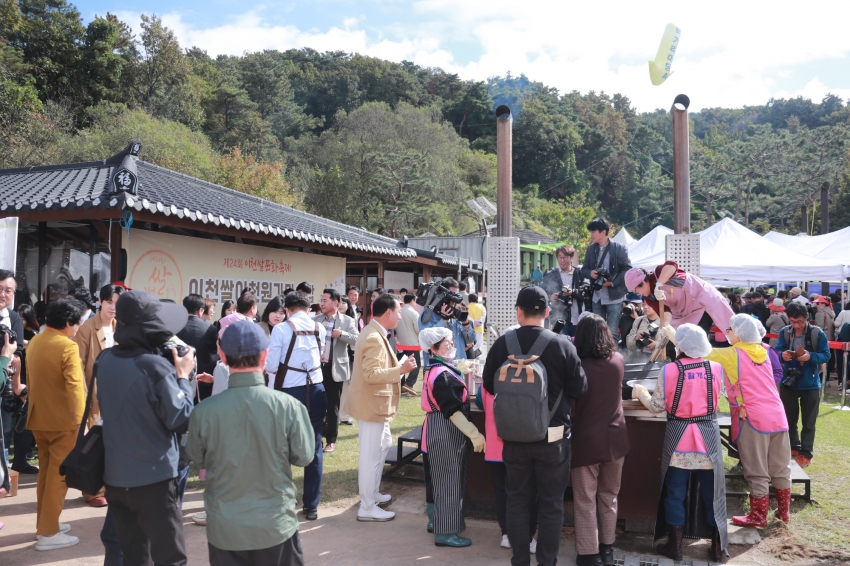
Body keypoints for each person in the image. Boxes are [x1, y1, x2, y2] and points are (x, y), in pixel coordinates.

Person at [186, 320, 314, 566]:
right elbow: (304, 456)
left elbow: (197, 457)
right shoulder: (289, 406)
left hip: (225, 528)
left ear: (222, 356)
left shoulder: (204, 411)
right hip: (275, 525)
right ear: (265, 356)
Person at [482, 286, 587, 566]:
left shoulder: (503, 343)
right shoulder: (563, 345)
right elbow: (580, 388)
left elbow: (488, 385)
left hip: (513, 438)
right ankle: (547, 562)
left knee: (517, 501)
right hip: (553, 440)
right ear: (547, 313)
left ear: (518, 311)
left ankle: (520, 560)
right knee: (551, 505)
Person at [95, 291, 194, 565]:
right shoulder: (155, 367)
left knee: (135, 555)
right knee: (170, 557)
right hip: (154, 480)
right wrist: (184, 377)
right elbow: (182, 419)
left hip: (115, 478)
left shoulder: (105, 360)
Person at [632, 324, 727, 562]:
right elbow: (722, 395)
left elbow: (656, 407)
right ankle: (717, 547)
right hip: (708, 440)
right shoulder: (716, 368)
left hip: (679, 439)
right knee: (712, 493)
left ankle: (675, 546)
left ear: (680, 346)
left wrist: (640, 392)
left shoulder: (669, 370)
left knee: (674, 493)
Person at [706, 315, 793, 527]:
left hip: (753, 417)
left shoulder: (732, 354)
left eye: (730, 329)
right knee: (781, 468)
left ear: (739, 332)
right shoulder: (763, 350)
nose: (727, 332)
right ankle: (783, 514)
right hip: (777, 415)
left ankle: (758, 516)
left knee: (756, 469)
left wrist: (671, 332)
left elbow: (699, 350)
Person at [345, 294, 418, 522]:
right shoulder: (373, 337)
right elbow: (371, 374)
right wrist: (401, 369)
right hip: (371, 405)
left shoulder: (375, 332)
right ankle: (366, 507)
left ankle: (372, 494)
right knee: (371, 456)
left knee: (382, 447)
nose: (400, 317)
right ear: (388, 312)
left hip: (375, 405)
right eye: (398, 312)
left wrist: (399, 366)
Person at [26, 297, 86, 551]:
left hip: (39, 418)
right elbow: (74, 386)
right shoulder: (67, 346)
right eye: (78, 323)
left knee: (46, 474)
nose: (78, 328)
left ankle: (46, 524)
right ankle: (48, 533)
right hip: (64, 421)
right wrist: (82, 421)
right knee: (58, 478)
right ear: (68, 322)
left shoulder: (36, 341)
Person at [570, 314, 629, 566]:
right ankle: (607, 550)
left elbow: (571, 405)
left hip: (584, 442)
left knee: (584, 499)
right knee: (609, 496)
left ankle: (588, 554)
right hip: (616, 439)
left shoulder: (576, 365)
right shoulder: (618, 360)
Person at [418, 327, 485, 547]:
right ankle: (445, 533)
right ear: (433, 348)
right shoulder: (442, 376)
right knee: (449, 481)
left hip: (435, 427)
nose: (451, 344)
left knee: (437, 479)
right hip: (445, 428)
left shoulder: (436, 367)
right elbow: (453, 412)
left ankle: (435, 521)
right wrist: (474, 434)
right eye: (446, 342)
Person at [265, 292, 327, 521]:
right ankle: (311, 505)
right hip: (316, 389)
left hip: (288, 393)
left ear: (288, 309)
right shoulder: (319, 328)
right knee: (314, 444)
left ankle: (284, 500)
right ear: (308, 308)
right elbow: (322, 356)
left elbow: (271, 366)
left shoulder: (281, 329)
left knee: (281, 445)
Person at [72, 283, 124, 508]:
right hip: (93, 397)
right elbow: (78, 366)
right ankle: (91, 491)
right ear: (100, 302)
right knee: (93, 443)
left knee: (113, 443)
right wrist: (83, 397)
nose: (113, 307)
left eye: (117, 303)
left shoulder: (120, 327)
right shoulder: (86, 329)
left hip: (118, 394)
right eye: (109, 302)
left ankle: (109, 486)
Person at [774, 302, 830, 468]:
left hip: (811, 383)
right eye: (792, 321)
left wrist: (810, 356)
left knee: (809, 422)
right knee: (789, 419)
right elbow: (776, 351)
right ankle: (793, 447)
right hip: (788, 382)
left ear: (807, 317)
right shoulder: (785, 332)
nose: (796, 325)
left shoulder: (817, 333)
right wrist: (782, 355)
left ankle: (806, 453)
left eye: (799, 321)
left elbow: (826, 355)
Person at [624, 261, 734, 341]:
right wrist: (666, 326)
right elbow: (665, 313)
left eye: (636, 290)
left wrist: (660, 283)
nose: (637, 294)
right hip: (685, 315)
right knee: (682, 342)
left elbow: (672, 265)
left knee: (732, 332)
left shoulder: (658, 273)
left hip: (704, 299)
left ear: (643, 281)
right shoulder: (650, 297)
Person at [314, 289, 359, 453]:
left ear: (335, 302)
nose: (322, 303)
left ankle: (331, 440)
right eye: (321, 300)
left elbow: (357, 338)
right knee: (317, 405)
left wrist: (341, 334)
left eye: (325, 300)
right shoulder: (316, 320)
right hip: (317, 369)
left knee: (333, 407)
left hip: (335, 368)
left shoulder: (346, 321)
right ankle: (316, 438)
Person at [580, 218, 632, 334]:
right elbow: (583, 270)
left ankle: (613, 353)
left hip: (614, 296)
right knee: (598, 332)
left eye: (593, 231)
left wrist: (611, 282)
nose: (591, 234)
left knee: (612, 333)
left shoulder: (619, 248)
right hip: (597, 296)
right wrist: (591, 273)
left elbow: (627, 270)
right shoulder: (591, 249)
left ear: (603, 232)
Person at [419, 278, 475, 363]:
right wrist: (444, 319)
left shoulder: (456, 312)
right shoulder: (428, 314)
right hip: (439, 368)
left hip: (459, 366)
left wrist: (465, 322)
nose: (454, 300)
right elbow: (428, 342)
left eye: (457, 295)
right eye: (452, 296)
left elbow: (470, 340)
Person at [10, 304, 38, 475]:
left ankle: (20, 461)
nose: (20, 320)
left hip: (27, 384)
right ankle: (17, 462)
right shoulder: (11, 334)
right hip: (15, 381)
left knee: (24, 426)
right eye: (18, 317)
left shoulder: (35, 337)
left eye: (23, 317)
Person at [178, 293, 215, 397]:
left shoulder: (176, 327)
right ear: (200, 310)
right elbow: (214, 354)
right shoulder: (210, 328)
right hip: (204, 378)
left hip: (181, 377)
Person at [542, 245, 584, 336]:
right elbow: (543, 294)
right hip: (558, 317)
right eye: (560, 257)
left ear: (572, 258)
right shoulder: (551, 274)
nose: (562, 260)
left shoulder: (579, 274)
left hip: (577, 317)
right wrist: (550, 297)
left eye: (565, 257)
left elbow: (584, 294)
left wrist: (572, 292)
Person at [395, 293, 422, 395]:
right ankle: (409, 384)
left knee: (401, 364)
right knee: (416, 364)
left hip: (400, 343)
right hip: (412, 344)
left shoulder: (399, 311)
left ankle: (400, 384)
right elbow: (417, 329)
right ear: (412, 301)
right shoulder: (414, 313)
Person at [812, 296, 836, 380]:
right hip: (831, 338)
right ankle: (826, 380)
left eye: (818, 303)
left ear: (823, 303)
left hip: (822, 339)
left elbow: (818, 328)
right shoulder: (831, 312)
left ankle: (821, 380)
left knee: (821, 361)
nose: (816, 305)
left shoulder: (820, 313)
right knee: (829, 360)